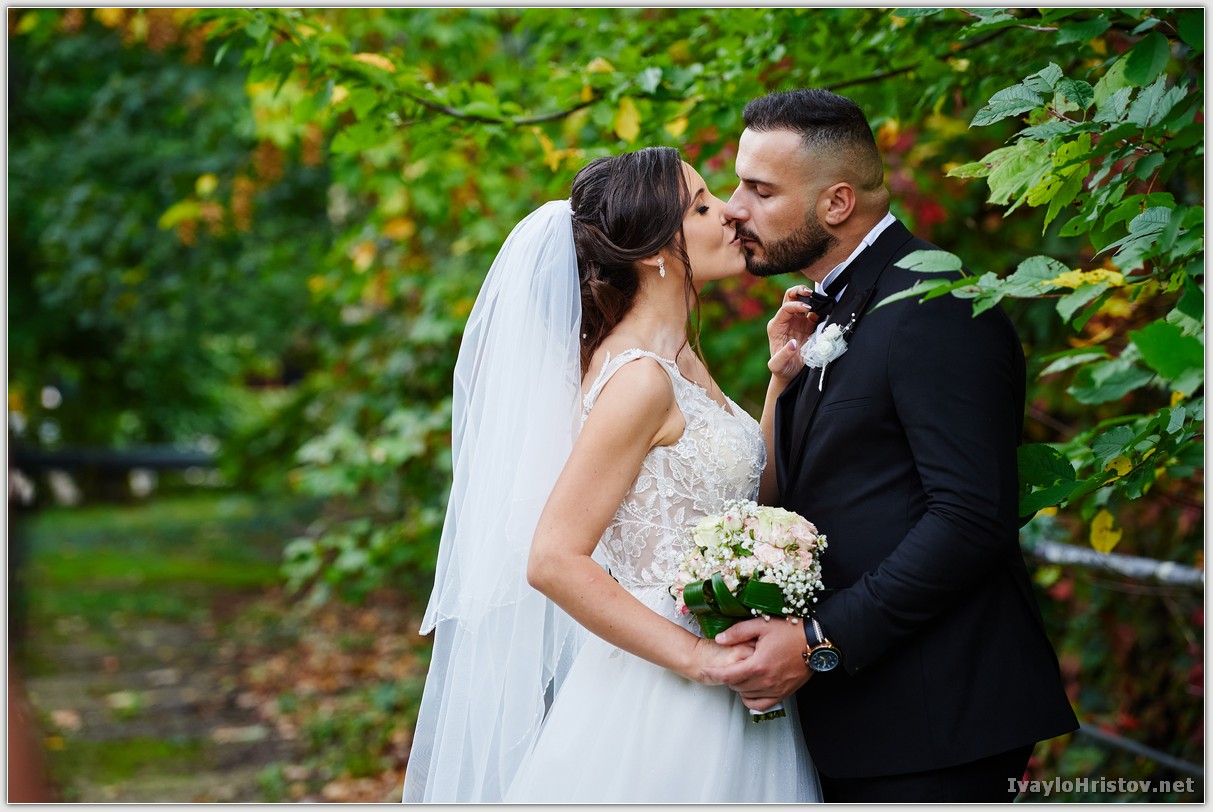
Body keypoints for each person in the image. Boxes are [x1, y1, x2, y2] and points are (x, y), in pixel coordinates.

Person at [402, 147, 821, 803]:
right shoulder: (639, 380)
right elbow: (553, 559)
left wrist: (778, 382)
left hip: (731, 660)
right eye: (702, 207)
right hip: (663, 691)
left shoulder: (678, 360)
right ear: (653, 252)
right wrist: (698, 658)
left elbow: (743, 501)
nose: (730, 213)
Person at [704, 88, 1079, 802]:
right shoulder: (838, 306)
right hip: (866, 718)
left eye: (759, 189)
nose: (733, 209)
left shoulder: (934, 304)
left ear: (836, 203)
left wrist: (819, 640)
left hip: (936, 720)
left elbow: (969, 517)